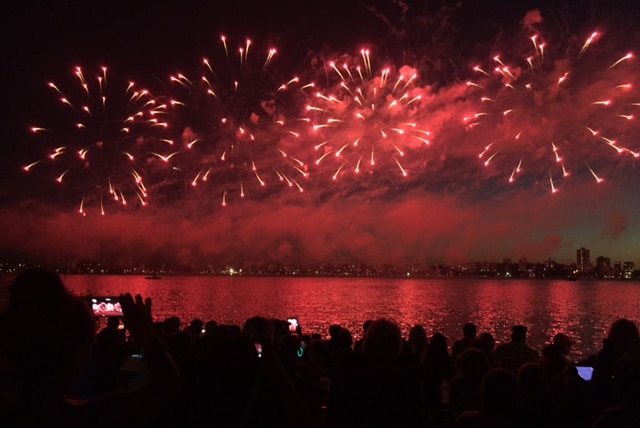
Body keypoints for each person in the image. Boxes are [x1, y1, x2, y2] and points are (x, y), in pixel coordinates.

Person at [0, 268, 180, 428]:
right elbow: (166, 385)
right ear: (78, 353)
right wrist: (145, 333)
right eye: (90, 341)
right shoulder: (87, 418)